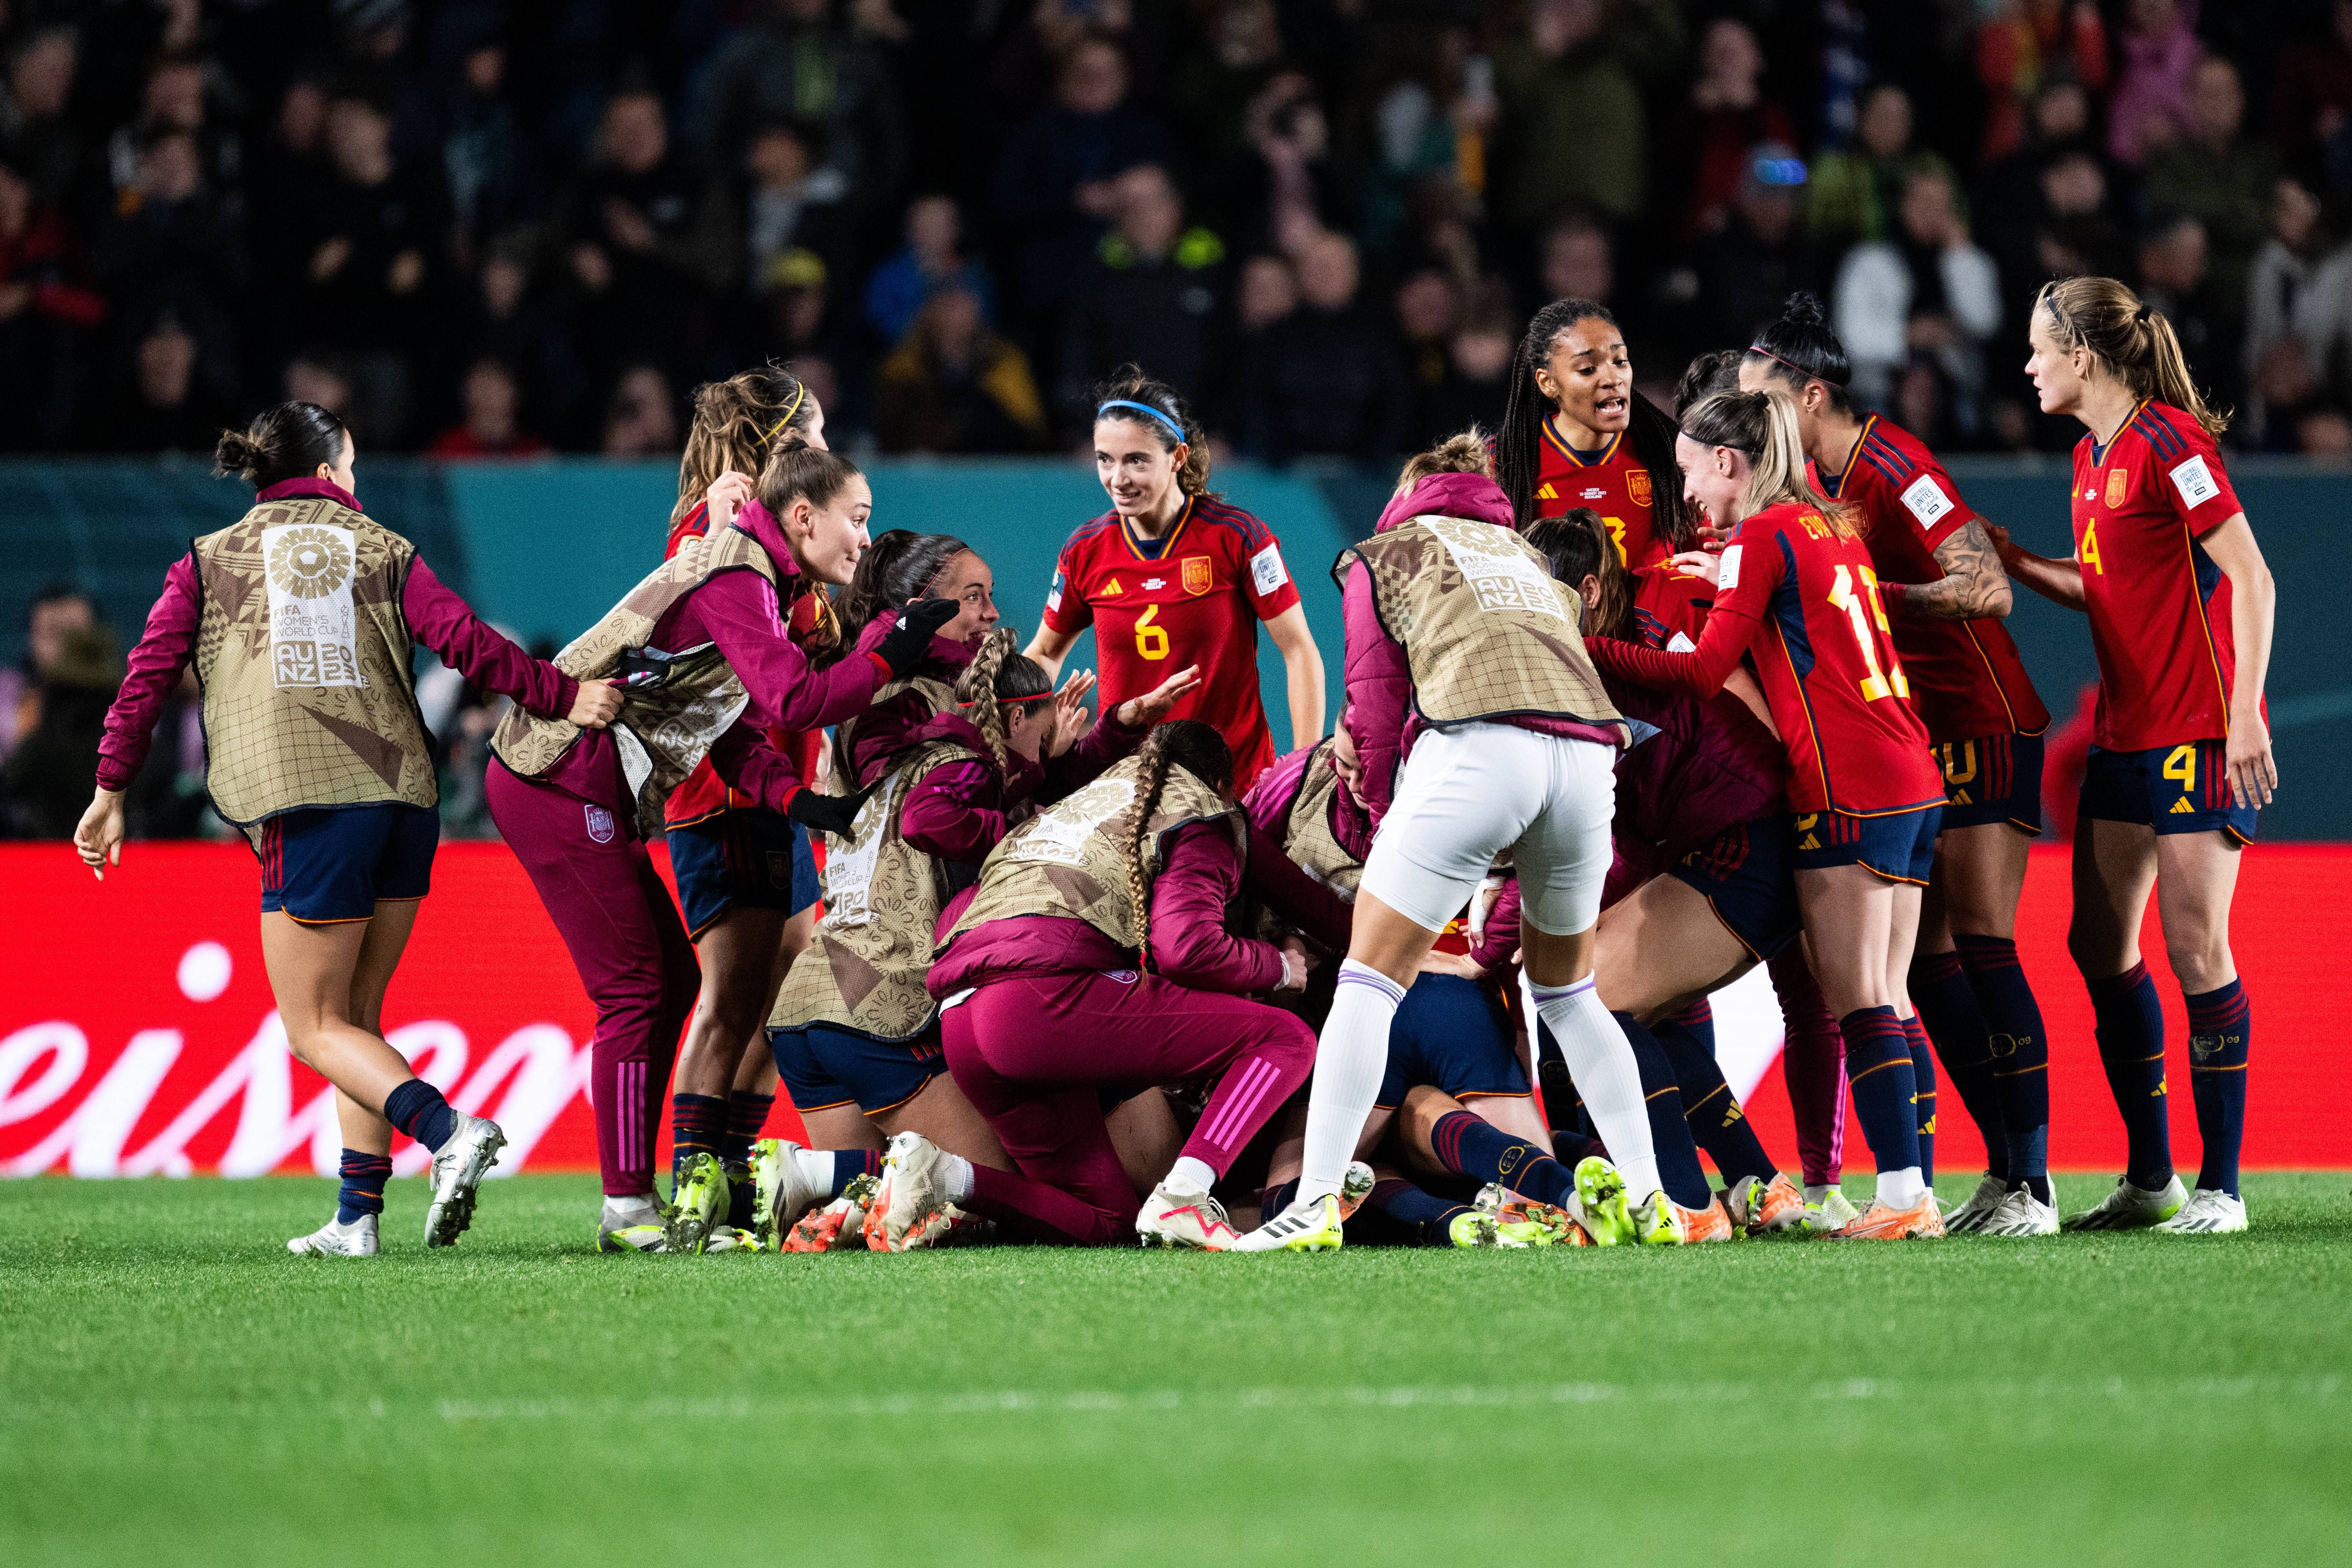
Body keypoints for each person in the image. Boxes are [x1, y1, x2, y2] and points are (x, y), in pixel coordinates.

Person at [74, 401, 618, 1255]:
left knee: (311, 1028)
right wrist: (560, 693)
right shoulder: (386, 549)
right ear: (330, 473)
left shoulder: (207, 561)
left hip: (309, 801)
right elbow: (468, 643)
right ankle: (357, 1218)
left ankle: (447, 1133)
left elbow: (147, 676)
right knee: (355, 1016)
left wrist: (111, 786)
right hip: (404, 801)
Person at [484, 436, 960, 1251]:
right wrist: (893, 649)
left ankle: (675, 1188)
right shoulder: (736, 571)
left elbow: (730, 727)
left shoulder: (760, 580)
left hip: (581, 778)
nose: (863, 540)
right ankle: (630, 1209)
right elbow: (794, 695)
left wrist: (798, 796)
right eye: (858, 518)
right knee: (642, 991)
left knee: (669, 985)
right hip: (555, 775)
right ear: (802, 515)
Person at [1240, 433, 1662, 1254]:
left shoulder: (1385, 552)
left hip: (1477, 750)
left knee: (1367, 980)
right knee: (1570, 996)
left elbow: (1372, 695)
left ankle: (1314, 1205)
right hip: (1587, 760)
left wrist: (1378, 809)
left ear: (1411, 495)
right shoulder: (1525, 555)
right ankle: (1651, 1204)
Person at [1586, 390, 1948, 1241]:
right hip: (1912, 770)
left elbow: (1705, 672)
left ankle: (1903, 1200)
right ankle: (1910, 1190)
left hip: (1846, 781)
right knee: (1887, 995)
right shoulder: (1829, 527)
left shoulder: (1761, 534)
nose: (1691, 498)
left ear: (1727, 462)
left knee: (1858, 998)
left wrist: (1587, 648)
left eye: (1690, 473)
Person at [1740, 293, 2059, 1236]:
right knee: (1923, 966)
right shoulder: (1809, 485)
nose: (1751, 417)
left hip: (1985, 721)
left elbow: (1985, 586)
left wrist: (1856, 596)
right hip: (1916, 735)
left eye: (1759, 398)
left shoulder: (1894, 465)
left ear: (1807, 397)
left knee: (1982, 943)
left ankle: (2032, 1184)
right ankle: (1998, 1174)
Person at [757, 630, 1198, 1249]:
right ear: (1014, 717)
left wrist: (1087, 744)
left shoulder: (893, 760)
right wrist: (1025, 833)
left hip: (811, 1001)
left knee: (884, 1206)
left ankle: (814, 1184)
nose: (1050, 758)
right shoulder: (963, 767)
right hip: (882, 1003)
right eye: (1045, 738)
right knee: (1006, 1190)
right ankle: (815, 1170)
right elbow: (941, 822)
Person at [1995, 277, 2276, 1235]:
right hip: (2126, 732)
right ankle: (2151, 1176)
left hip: (2198, 729)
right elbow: (2106, 585)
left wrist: (2243, 715)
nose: (2027, 364)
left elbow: (2251, 576)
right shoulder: (2088, 458)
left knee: (2196, 948)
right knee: (2097, 944)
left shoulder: (2172, 443)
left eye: (2039, 347)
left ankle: (2223, 1188)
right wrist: (2016, 562)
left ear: (2083, 354)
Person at [882, 720, 1327, 1250]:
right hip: (1038, 1001)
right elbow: (1186, 948)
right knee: (1285, 1038)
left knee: (1107, 1223)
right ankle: (1186, 1195)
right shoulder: (1200, 811)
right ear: (1221, 785)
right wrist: (1276, 965)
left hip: (961, 1016)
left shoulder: (1078, 802)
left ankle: (945, 1178)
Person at [651, 366, 832, 1251]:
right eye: (814, 438)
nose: (829, 456)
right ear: (776, 448)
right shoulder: (713, 533)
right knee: (733, 995)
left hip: (781, 792)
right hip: (723, 793)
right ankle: (691, 1191)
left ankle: (724, 1167)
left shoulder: (770, 532)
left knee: (791, 987)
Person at [1025, 369, 1323, 792]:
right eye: (1104, 459)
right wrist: (1017, 736)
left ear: (1178, 457)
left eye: (1136, 460)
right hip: (1124, 789)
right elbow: (1045, 653)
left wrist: (1303, 770)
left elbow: (1298, 649)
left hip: (1233, 787)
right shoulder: (1084, 550)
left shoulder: (1239, 537)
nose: (1118, 478)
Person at [1493, 298, 1690, 570]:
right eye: (1588, 369)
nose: (1613, 378)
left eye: (1620, 361)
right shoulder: (1503, 465)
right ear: (1548, 383)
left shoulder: (1668, 457)